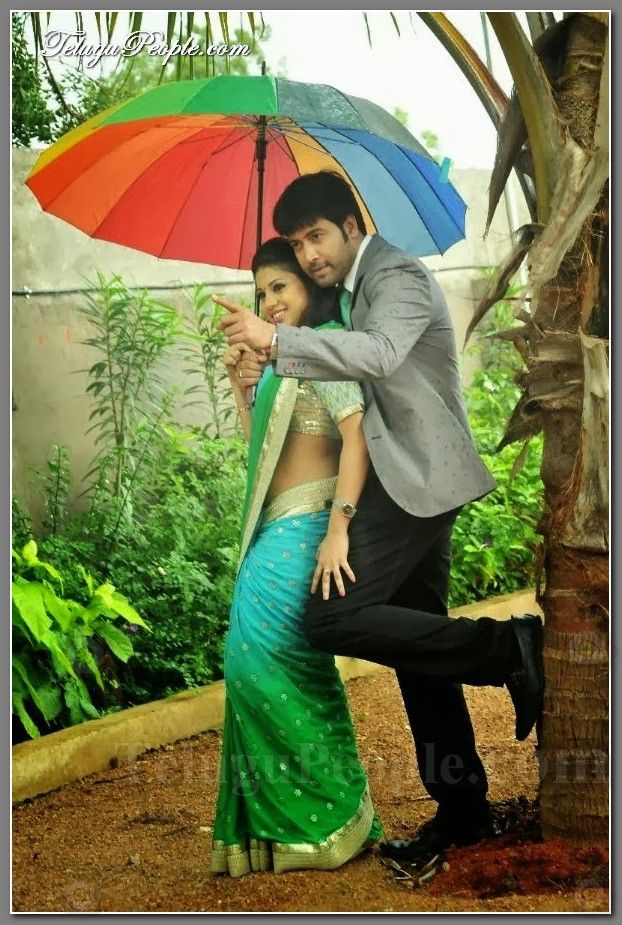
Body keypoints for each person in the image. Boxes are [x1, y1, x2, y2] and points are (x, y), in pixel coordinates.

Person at [215, 171, 545, 870]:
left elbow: (380, 354)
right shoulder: (346, 291)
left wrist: (275, 341)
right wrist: (259, 364)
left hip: (416, 479)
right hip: (403, 484)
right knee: (417, 645)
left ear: (351, 226)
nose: (308, 255)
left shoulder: (396, 276)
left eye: (317, 237)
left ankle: (509, 647)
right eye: (297, 244)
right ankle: (462, 810)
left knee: (331, 618)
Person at [211, 237, 383, 878]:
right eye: (261, 293)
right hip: (269, 533)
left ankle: (327, 819)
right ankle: (294, 827)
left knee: (269, 667)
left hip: (309, 532)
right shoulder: (280, 361)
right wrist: (244, 389)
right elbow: (261, 453)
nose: (269, 302)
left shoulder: (328, 346)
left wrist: (339, 530)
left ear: (310, 288)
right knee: (257, 669)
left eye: (279, 286)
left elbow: (357, 438)